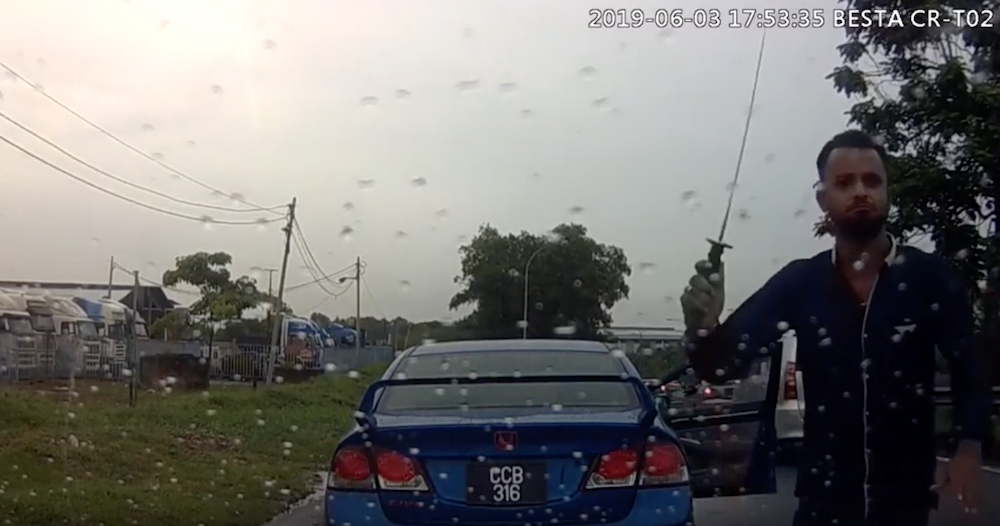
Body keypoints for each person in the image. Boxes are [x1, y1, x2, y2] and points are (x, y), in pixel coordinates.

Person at [680, 130, 991, 526]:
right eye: (845, 182)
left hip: (906, 502)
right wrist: (702, 326)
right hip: (822, 501)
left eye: (872, 181)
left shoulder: (929, 277)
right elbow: (723, 365)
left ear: (887, 192)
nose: (861, 191)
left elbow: (970, 369)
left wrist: (968, 447)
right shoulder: (800, 281)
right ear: (823, 198)